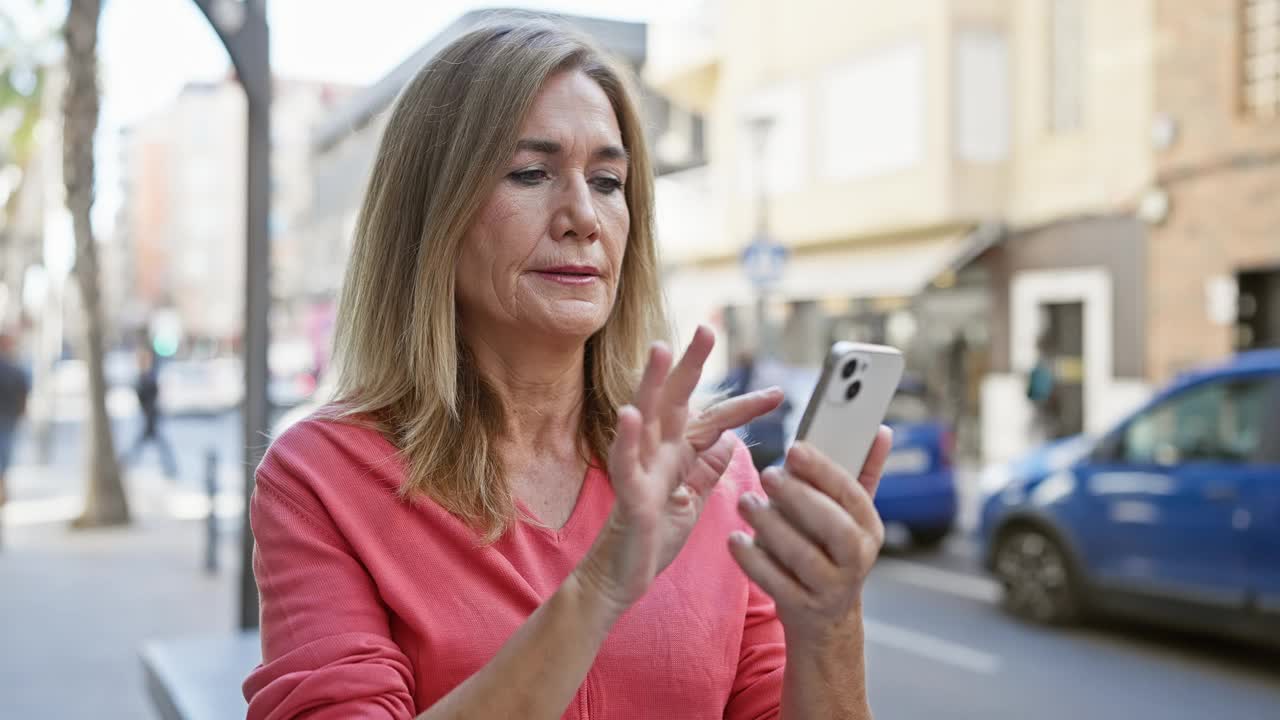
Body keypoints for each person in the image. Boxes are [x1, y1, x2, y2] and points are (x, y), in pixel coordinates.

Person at [243, 19, 893, 720]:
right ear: (432, 215)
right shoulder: (320, 478)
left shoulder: (711, 473)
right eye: (531, 173)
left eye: (608, 181)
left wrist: (830, 619)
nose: (584, 215)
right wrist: (599, 587)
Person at [721, 351, 792, 471]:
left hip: (757, 440)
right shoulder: (772, 379)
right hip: (774, 442)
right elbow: (789, 406)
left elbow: (729, 393)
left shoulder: (743, 376)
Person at [123, 345, 178, 478]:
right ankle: (125, 464)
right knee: (146, 445)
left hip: (151, 417)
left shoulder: (150, 375)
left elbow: (152, 394)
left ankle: (170, 468)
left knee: (154, 445)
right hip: (148, 417)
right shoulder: (143, 377)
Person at [0, 331, 30, 508]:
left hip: (9, 419)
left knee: (4, 457)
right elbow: (23, 394)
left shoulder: (15, 368)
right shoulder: (15, 368)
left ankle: (2, 487)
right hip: (9, 420)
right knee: (5, 456)